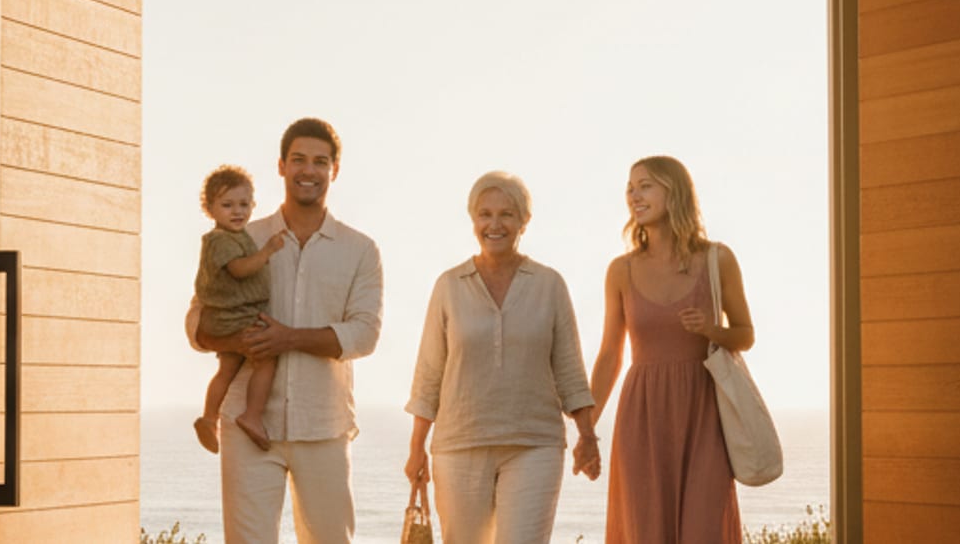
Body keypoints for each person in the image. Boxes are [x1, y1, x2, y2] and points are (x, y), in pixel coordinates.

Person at [190, 118, 384, 544]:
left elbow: (364, 335)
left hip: (324, 426)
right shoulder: (240, 236)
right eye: (298, 160)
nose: (308, 170)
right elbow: (197, 324)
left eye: (319, 161)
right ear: (280, 166)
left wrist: (288, 338)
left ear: (335, 170)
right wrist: (238, 341)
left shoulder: (360, 249)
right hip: (246, 429)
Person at [404, 171, 600, 544]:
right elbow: (428, 374)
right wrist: (416, 451)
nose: (495, 224)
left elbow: (570, 369)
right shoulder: (448, 285)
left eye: (507, 214)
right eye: (485, 214)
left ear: (524, 221)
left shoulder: (549, 284)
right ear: (473, 220)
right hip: (459, 445)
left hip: (534, 444)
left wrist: (587, 436)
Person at [589, 155, 755, 544]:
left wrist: (713, 329)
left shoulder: (717, 259)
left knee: (705, 528)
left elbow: (745, 334)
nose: (634, 195)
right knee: (645, 529)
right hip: (642, 416)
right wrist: (586, 427)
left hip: (704, 413)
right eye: (630, 187)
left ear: (674, 191)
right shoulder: (621, 270)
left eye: (645, 185)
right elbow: (610, 355)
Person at [191, 165, 288, 454]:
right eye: (227, 205)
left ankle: (209, 418)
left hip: (227, 317)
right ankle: (252, 415)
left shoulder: (236, 235)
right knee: (267, 356)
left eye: (244, 205)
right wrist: (267, 251)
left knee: (228, 368)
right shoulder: (220, 240)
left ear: (253, 205)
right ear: (210, 209)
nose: (237, 212)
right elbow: (240, 269)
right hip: (233, 317)